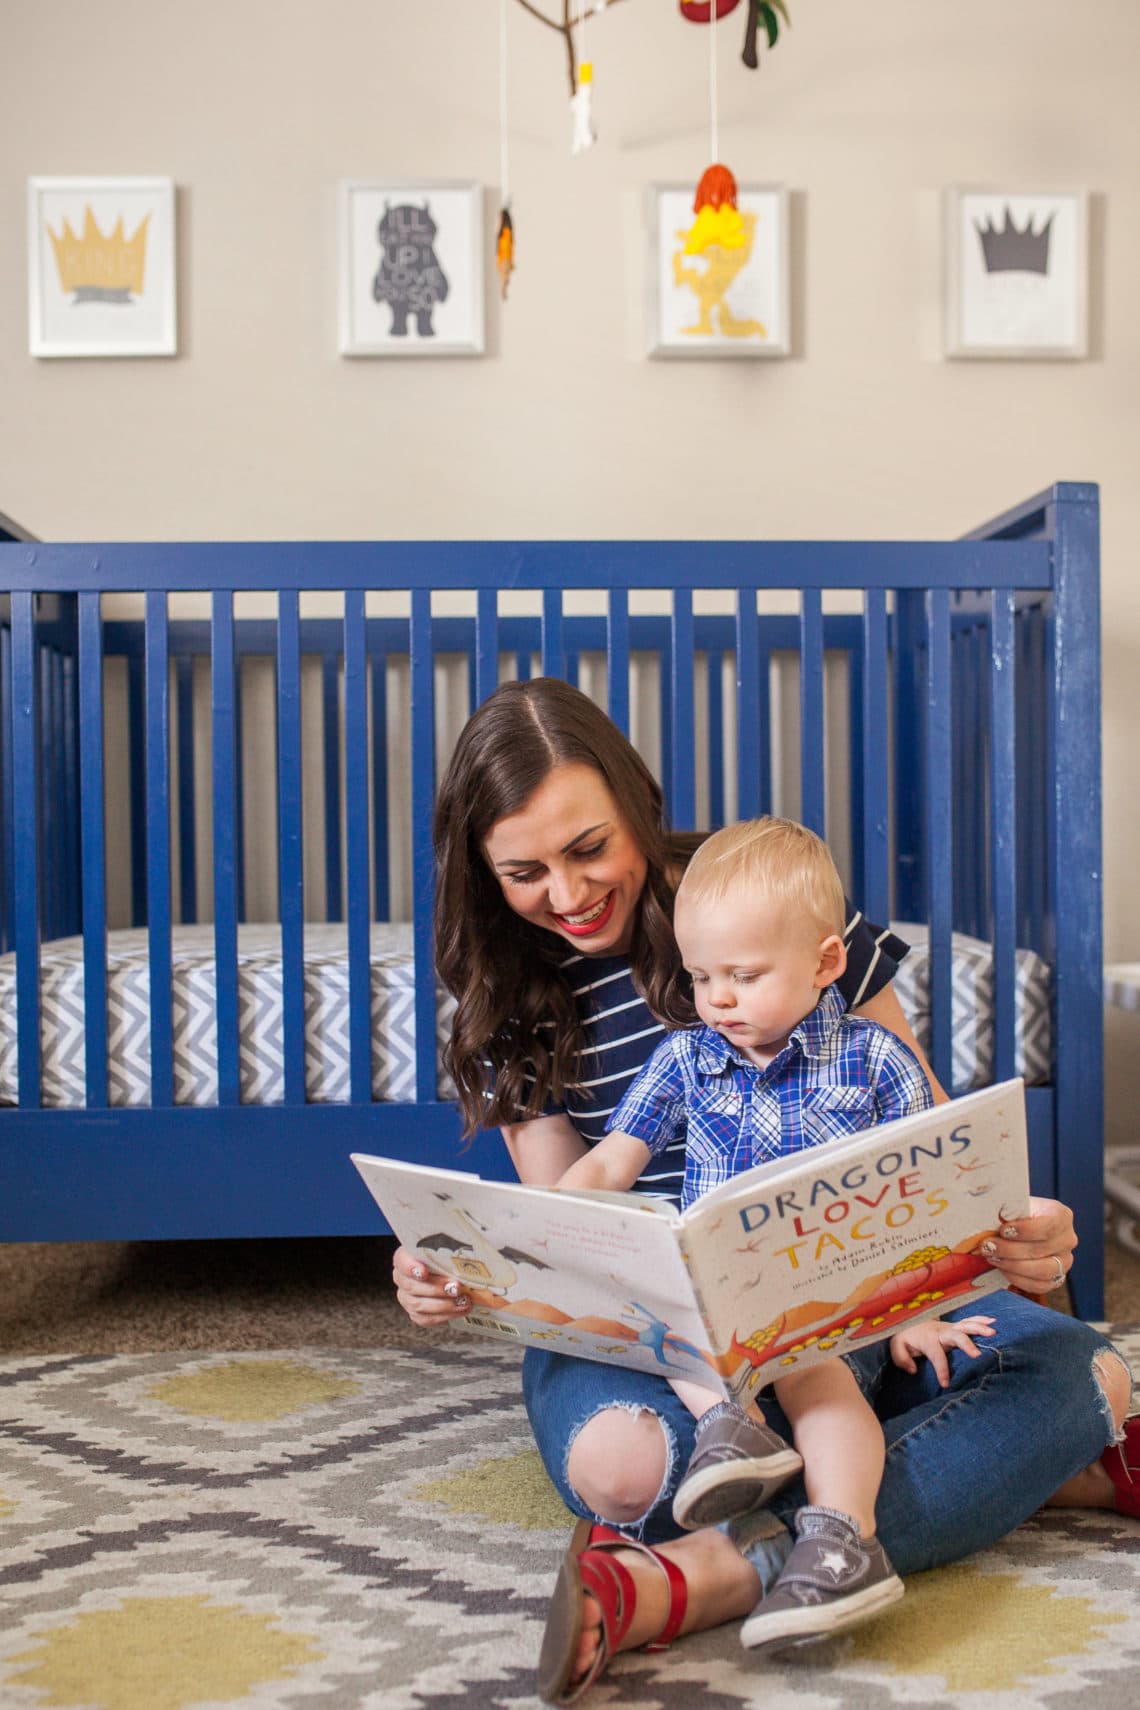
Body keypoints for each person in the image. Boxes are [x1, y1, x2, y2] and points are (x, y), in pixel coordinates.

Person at [393, 678, 1134, 1705]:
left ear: (636, 806)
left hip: (848, 1295)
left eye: (588, 849)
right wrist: (455, 1259)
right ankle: (1018, 1479)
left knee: (1084, 1378)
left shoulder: (767, 899)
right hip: (658, 1334)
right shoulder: (512, 999)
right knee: (627, 1472)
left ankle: (699, 1579)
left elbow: (923, 1151)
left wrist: (1003, 1244)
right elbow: (565, 1216)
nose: (565, 894)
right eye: (524, 871)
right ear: (481, 872)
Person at [553, 815, 1000, 1654]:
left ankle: (842, 1540)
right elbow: (611, 1163)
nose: (717, 998)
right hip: (715, 1296)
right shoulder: (687, 1058)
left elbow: (933, 1192)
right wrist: (554, 1223)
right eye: (700, 977)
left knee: (812, 1373)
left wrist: (922, 1310)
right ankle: (734, 1430)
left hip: (832, 1296)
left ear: (827, 962)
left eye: (744, 976)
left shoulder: (874, 1061)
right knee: (674, 1328)